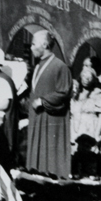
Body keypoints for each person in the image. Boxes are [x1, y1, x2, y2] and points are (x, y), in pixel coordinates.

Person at [26, 30, 72, 179]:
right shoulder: (38, 66)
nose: (31, 48)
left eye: (33, 44)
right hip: (37, 118)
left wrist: (43, 101)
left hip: (50, 119)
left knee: (50, 156)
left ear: (45, 44)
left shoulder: (60, 66)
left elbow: (64, 92)